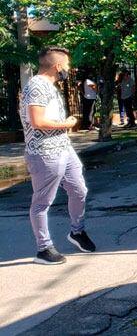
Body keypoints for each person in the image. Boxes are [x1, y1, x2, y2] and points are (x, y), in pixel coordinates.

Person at [19, 47, 96, 265]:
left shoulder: (49, 87)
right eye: (68, 66)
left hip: (63, 148)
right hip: (44, 152)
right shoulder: (36, 87)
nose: (70, 70)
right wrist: (68, 124)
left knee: (79, 189)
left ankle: (77, 232)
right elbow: (37, 122)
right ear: (58, 66)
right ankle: (44, 249)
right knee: (42, 201)